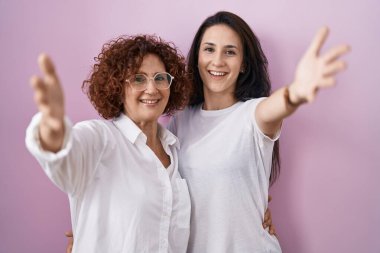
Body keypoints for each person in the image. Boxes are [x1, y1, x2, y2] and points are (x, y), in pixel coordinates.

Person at [167, 11, 350, 252]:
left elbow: (276, 106)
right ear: (198, 57)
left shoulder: (253, 115)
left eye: (230, 52)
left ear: (243, 64)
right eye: (209, 49)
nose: (218, 61)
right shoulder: (180, 121)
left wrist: (296, 91)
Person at [25, 35, 193, 252]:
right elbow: (66, 156)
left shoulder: (174, 149)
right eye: (138, 79)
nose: (152, 89)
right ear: (117, 86)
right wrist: (54, 131)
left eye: (160, 78)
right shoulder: (100, 138)